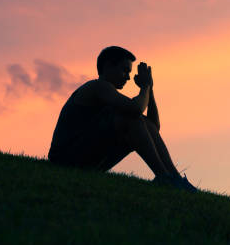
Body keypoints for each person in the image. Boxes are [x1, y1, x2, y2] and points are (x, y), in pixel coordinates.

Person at [48, 46, 196, 192]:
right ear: (107, 67)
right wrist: (144, 87)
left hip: (85, 160)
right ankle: (164, 178)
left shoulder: (111, 97)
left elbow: (152, 127)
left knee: (138, 122)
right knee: (131, 118)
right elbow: (135, 109)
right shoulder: (98, 86)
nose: (128, 77)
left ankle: (174, 178)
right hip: (65, 160)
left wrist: (150, 90)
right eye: (124, 70)